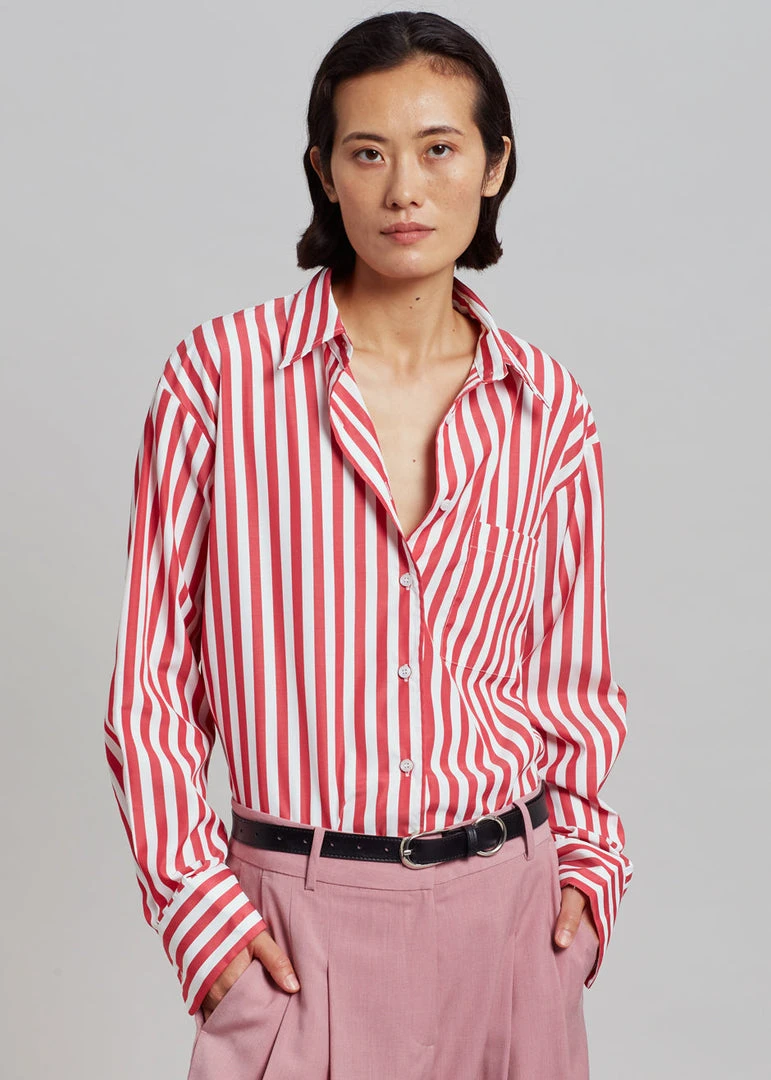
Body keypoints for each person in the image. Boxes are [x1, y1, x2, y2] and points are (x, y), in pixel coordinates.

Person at [103, 10, 633, 1079]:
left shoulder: (549, 408)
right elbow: (149, 686)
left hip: (512, 925)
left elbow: (570, 684)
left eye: (439, 148)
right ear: (325, 172)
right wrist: (202, 919)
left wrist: (587, 873)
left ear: (494, 165)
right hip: (295, 935)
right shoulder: (220, 381)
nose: (404, 191)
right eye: (368, 153)